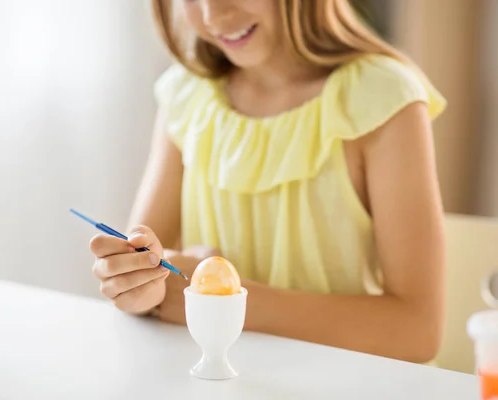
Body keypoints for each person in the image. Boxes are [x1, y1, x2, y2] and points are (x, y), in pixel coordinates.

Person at [90, 0, 447, 364]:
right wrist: (138, 289)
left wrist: (222, 297)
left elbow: (418, 332)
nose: (213, 15)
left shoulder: (381, 98)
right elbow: (148, 276)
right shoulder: (186, 96)